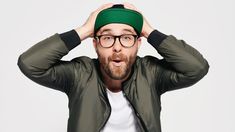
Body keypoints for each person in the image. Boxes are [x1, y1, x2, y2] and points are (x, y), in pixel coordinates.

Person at [17, 3, 209, 132]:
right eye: (107, 37)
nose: (117, 47)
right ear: (95, 44)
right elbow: (30, 63)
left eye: (126, 37)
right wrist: (84, 30)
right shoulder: (80, 74)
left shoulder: (150, 73)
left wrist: (149, 31)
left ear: (138, 43)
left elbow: (197, 68)